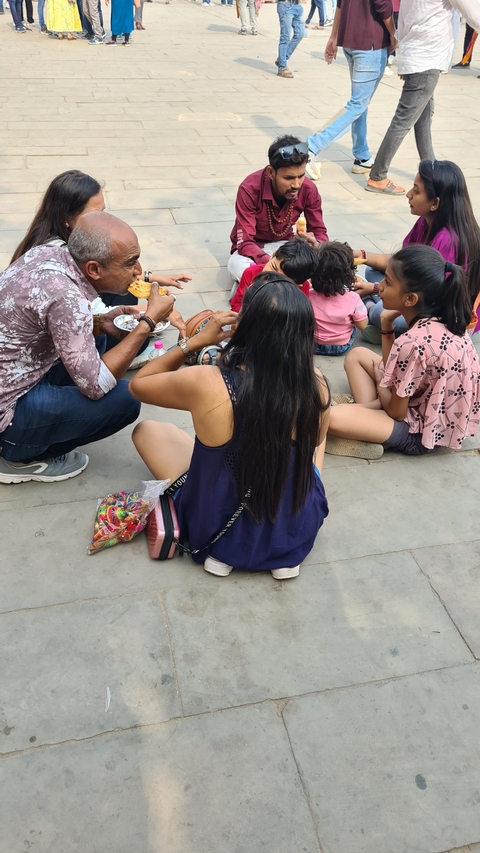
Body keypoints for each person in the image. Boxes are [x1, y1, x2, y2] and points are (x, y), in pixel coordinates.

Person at [129, 277, 330, 579]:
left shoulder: (208, 381)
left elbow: (139, 385)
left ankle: (225, 555)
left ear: (242, 324)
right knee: (308, 448)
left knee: (146, 431)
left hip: (214, 526)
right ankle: (283, 554)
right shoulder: (316, 383)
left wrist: (195, 342)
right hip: (296, 529)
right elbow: (315, 446)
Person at [0, 212, 176, 485]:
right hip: (8, 408)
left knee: (98, 338)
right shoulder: (66, 299)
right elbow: (96, 386)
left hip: (16, 368)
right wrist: (148, 323)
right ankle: (17, 455)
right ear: (93, 269)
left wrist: (100, 321)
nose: (139, 271)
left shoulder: (49, 251)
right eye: (130, 263)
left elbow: (53, 319)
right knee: (126, 399)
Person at [10, 169, 190, 360]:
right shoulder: (63, 257)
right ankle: (107, 360)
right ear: (66, 219)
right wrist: (154, 314)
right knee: (136, 337)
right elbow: (88, 315)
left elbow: (115, 275)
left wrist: (151, 278)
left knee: (126, 293)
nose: (101, 221)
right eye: (93, 214)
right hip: (46, 359)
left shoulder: (49, 242)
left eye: (102, 212)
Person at [327, 244, 480, 460]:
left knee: (330, 416)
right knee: (357, 355)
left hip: (419, 432)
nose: (379, 286)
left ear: (410, 299)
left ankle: (368, 427)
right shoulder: (447, 318)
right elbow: (398, 368)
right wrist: (386, 323)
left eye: (387, 282)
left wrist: (382, 385)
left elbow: (397, 412)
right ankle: (367, 417)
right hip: (430, 409)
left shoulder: (412, 341)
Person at [354, 159, 480, 340]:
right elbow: (400, 262)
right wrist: (363, 256)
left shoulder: (447, 240)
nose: (409, 194)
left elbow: (424, 298)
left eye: (416, 190)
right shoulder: (426, 219)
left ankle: (370, 312)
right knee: (372, 269)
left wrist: (375, 289)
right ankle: (375, 310)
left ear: (435, 202)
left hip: (441, 313)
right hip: (415, 290)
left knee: (381, 313)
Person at [366, 0, 480, 195]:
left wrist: (405, 57)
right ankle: (378, 175)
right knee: (403, 120)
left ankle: (431, 168)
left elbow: (403, 18)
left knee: (423, 117)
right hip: (428, 57)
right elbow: (474, 14)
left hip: (416, 55)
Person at [305, 0, 397, 181]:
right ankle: (312, 147)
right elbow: (383, 4)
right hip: (371, 42)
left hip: (350, 40)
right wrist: (394, 34)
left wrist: (334, 36)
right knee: (357, 104)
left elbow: (340, 4)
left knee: (360, 102)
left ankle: (362, 155)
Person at [228, 136, 328, 286]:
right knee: (237, 266)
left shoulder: (308, 189)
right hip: (256, 251)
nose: (296, 184)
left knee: (328, 265)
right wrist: (272, 263)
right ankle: (288, 284)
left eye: (301, 176)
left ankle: (263, 284)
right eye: (288, 178)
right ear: (270, 172)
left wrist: (317, 245)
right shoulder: (249, 189)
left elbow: (320, 232)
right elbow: (245, 242)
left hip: (288, 248)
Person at [309, 241, 368, 354]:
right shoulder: (353, 298)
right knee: (355, 322)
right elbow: (363, 326)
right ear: (349, 274)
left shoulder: (308, 295)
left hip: (312, 344)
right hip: (340, 347)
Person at [230, 237, 318, 311]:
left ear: (298, 285)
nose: (273, 277)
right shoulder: (251, 273)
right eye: (273, 267)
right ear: (273, 255)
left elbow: (299, 314)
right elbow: (236, 306)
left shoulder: (302, 288)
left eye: (282, 279)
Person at [276, 0, 305, 79]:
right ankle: (282, 67)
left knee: (300, 33)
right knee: (285, 37)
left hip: (297, 5)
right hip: (285, 5)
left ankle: (282, 59)